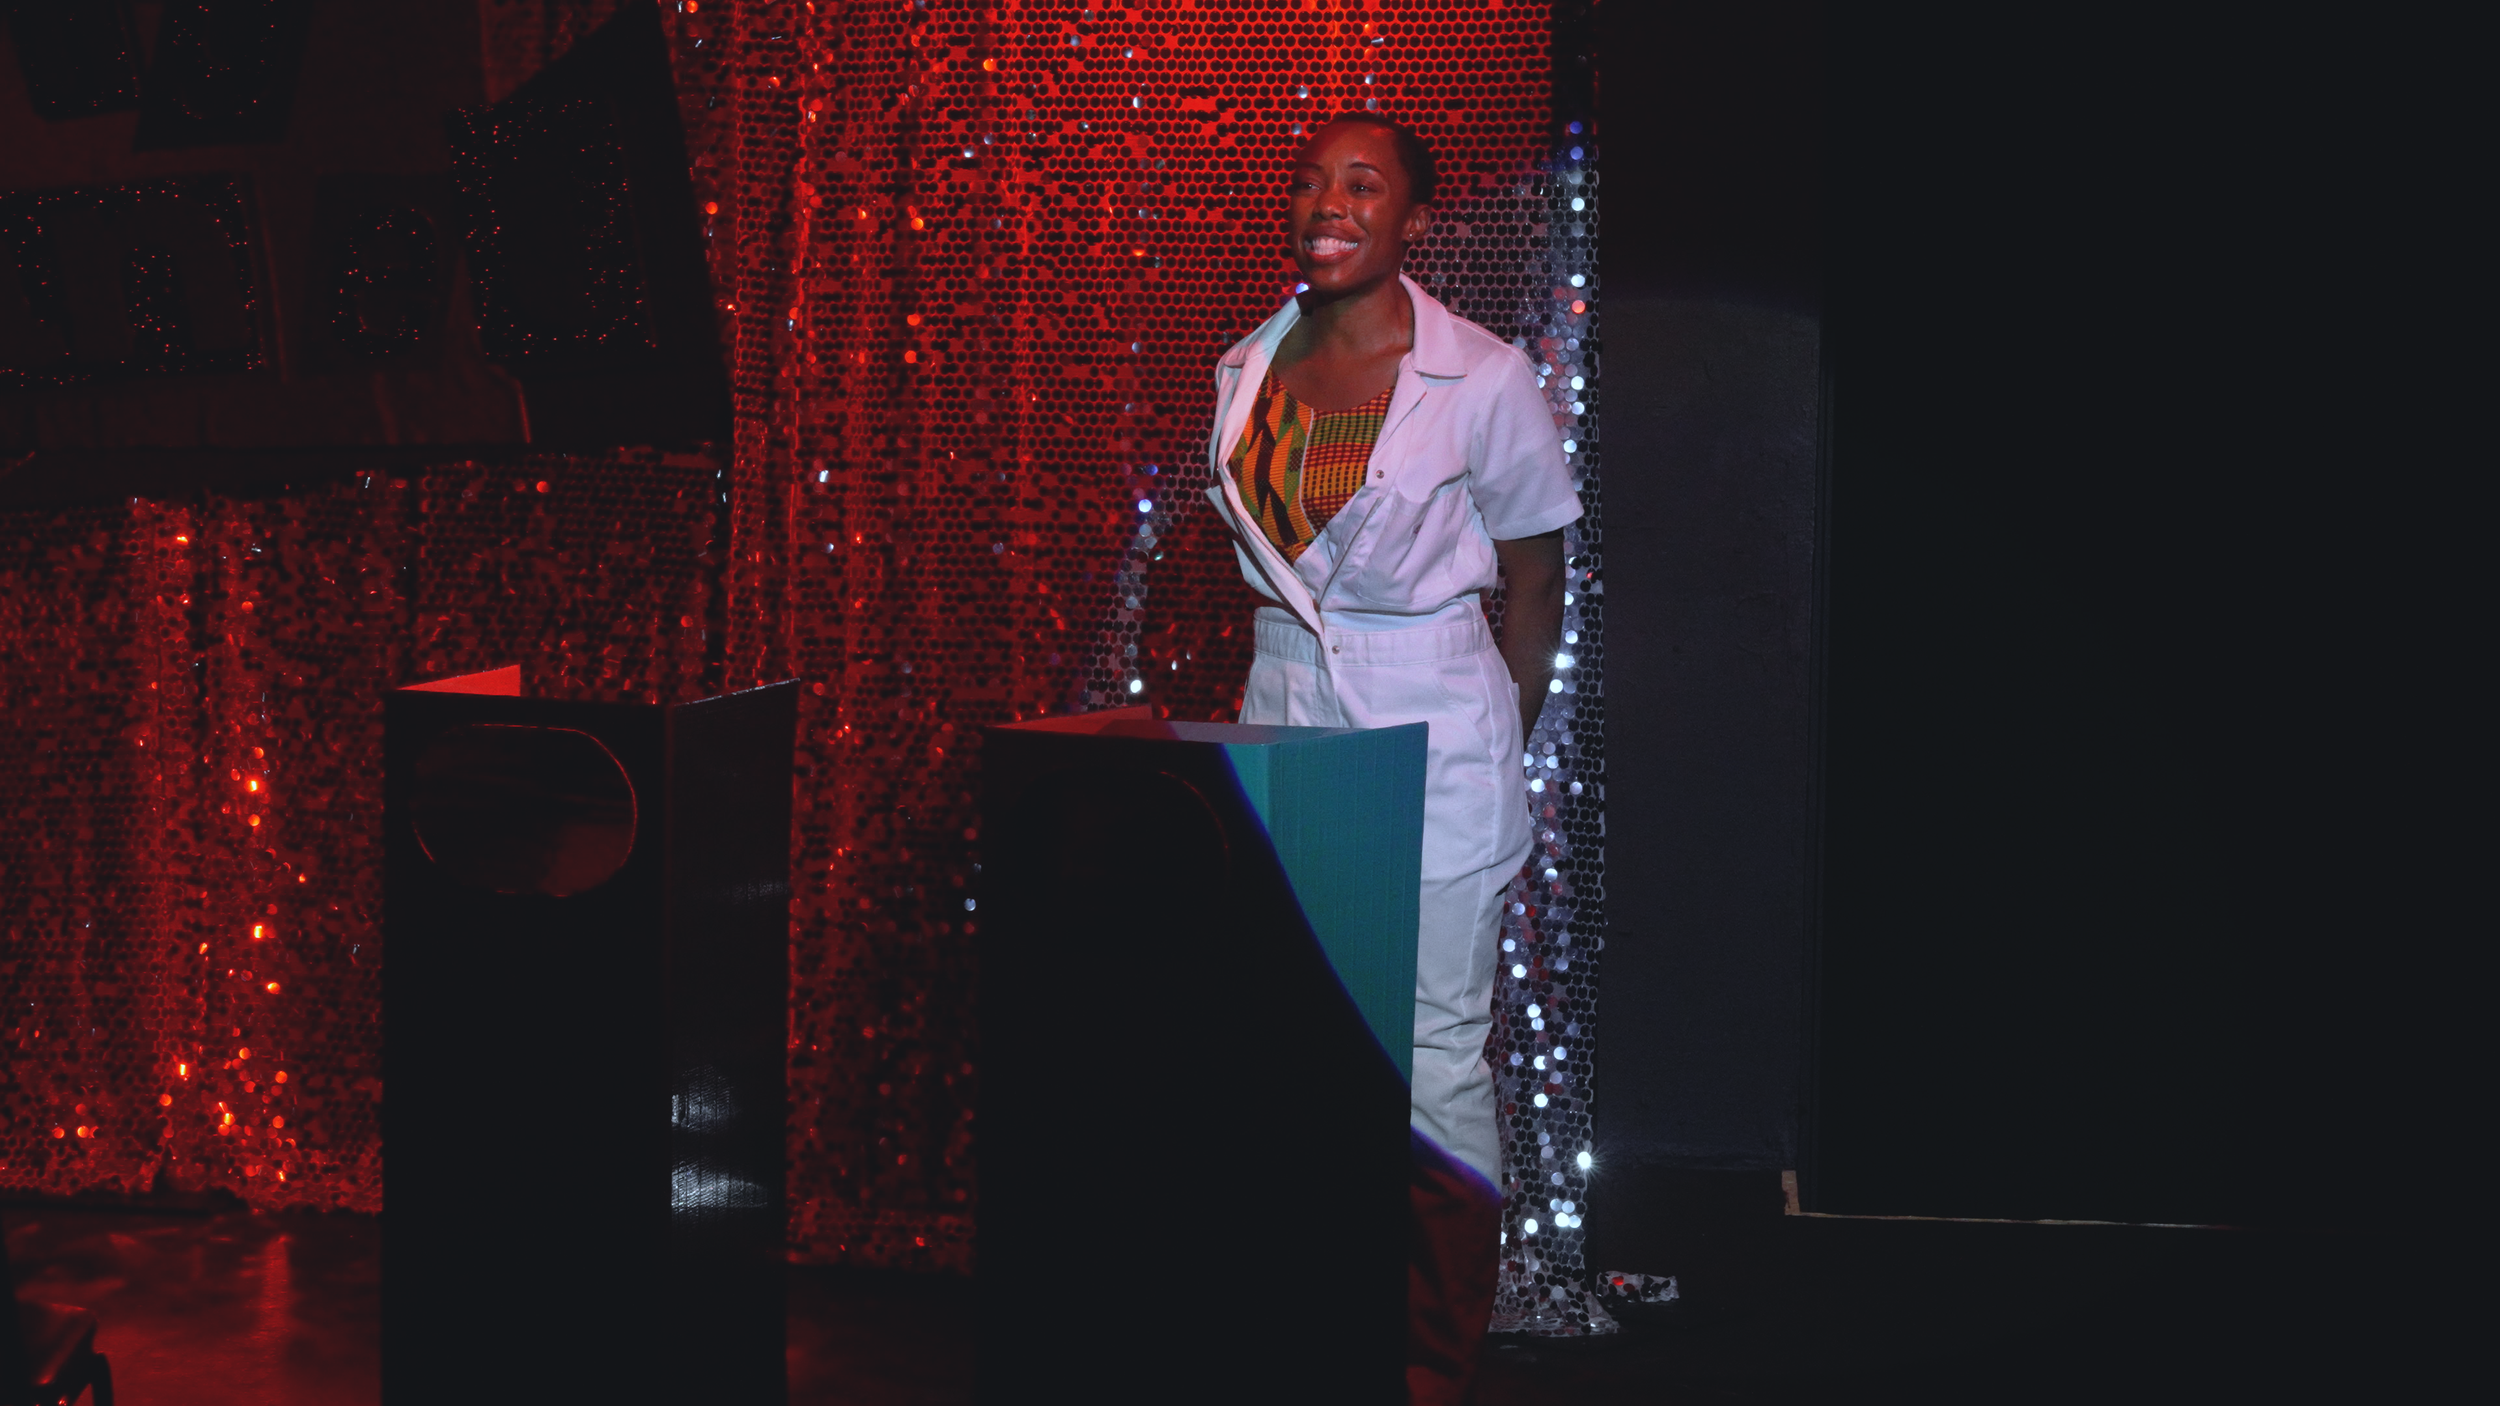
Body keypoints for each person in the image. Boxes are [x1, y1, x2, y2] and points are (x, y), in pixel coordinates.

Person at [1203, 112, 1579, 1405]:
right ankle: (1314, 1325)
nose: (1329, 200)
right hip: (1285, 722)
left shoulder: (1482, 377)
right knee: (1298, 1039)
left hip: (1439, 733)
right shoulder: (1245, 364)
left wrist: (1495, 752)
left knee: (1425, 1060)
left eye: (1363, 182)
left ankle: (1429, 1357)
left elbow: (1536, 583)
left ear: (1412, 214)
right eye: (1310, 178)